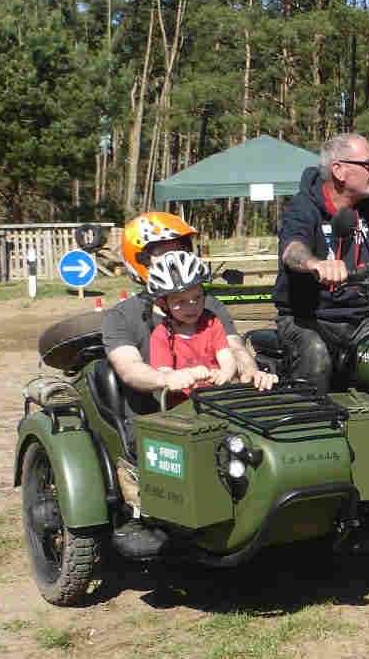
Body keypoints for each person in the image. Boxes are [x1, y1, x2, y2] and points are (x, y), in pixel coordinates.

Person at [101, 211, 259, 558]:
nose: (174, 256)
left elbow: (234, 346)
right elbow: (128, 368)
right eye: (161, 251)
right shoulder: (122, 316)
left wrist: (249, 367)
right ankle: (144, 513)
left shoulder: (209, 305)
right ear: (139, 260)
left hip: (214, 405)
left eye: (180, 248)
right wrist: (165, 378)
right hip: (156, 417)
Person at [273, 132, 369, 392]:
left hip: (357, 321)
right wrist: (316, 265)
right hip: (306, 320)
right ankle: (314, 427)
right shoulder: (304, 207)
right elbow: (292, 250)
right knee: (316, 354)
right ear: (339, 170)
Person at [146, 250, 277, 407]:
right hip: (183, 408)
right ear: (163, 303)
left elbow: (226, 357)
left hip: (217, 399)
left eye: (197, 298)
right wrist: (187, 375)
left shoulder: (211, 322)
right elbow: (164, 373)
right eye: (180, 302)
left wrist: (225, 373)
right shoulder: (161, 335)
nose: (191, 306)